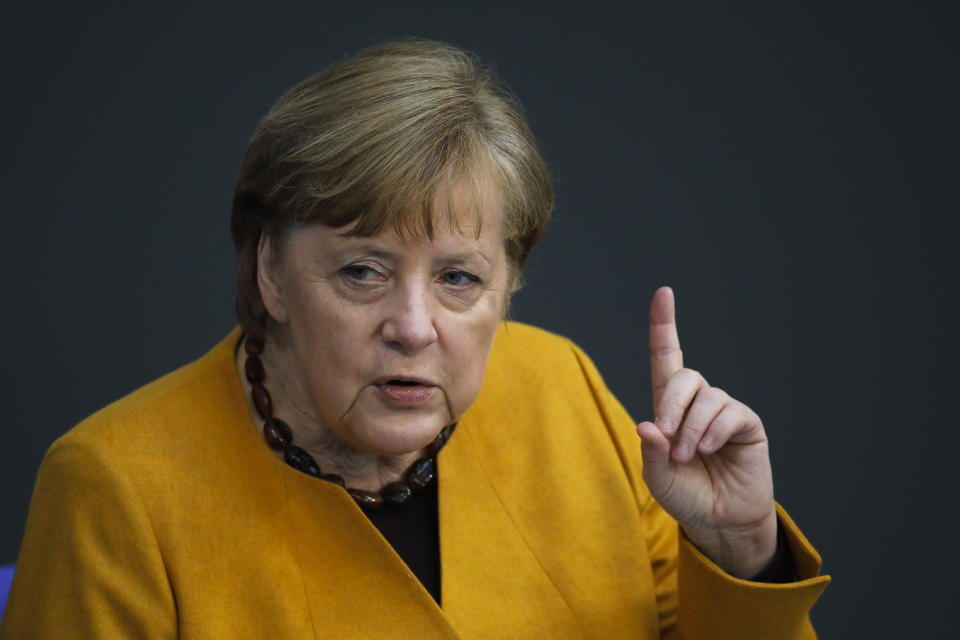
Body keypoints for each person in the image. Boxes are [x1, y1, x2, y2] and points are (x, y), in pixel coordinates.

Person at [0, 39, 829, 638]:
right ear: (271, 275)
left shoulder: (559, 388)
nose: (413, 326)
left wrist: (740, 553)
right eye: (363, 270)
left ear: (507, 287)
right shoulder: (114, 488)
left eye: (459, 278)